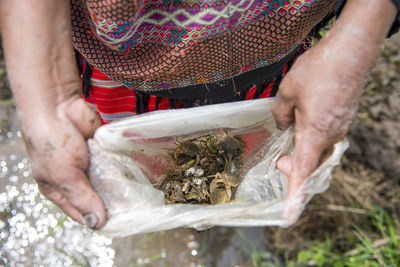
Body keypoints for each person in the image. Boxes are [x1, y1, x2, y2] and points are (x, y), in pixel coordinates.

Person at [0, 0, 397, 229]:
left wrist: (358, 37)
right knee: (144, 168)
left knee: (239, 163)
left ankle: (207, 216)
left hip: (277, 68)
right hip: (125, 75)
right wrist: (46, 98)